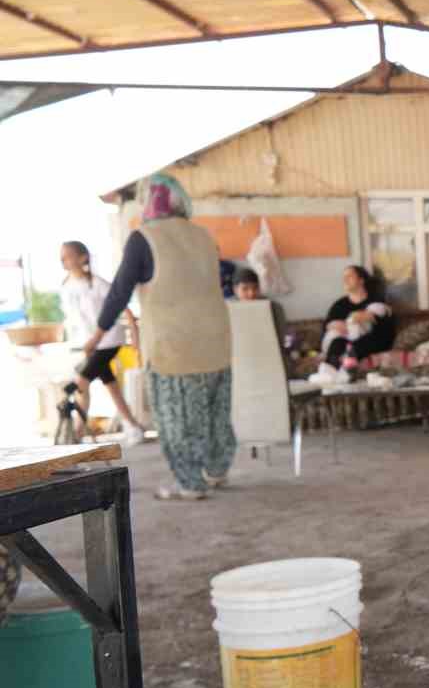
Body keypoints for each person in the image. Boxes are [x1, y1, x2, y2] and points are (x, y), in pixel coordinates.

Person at [86, 174, 236, 501]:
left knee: (177, 417)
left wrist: (98, 334)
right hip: (216, 339)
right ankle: (217, 470)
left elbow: (120, 292)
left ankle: (190, 483)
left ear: (148, 200)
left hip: (173, 345)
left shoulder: (144, 238)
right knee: (214, 411)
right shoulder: (202, 236)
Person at [59, 240, 148, 445]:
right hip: (88, 345)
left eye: (68, 255)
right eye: (62, 256)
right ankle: (133, 426)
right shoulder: (66, 287)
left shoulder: (98, 284)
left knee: (80, 383)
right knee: (111, 386)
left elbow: (123, 306)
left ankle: (77, 436)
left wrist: (134, 335)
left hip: (108, 340)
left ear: (83, 258)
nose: (64, 260)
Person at [318, 265, 395, 377]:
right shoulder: (339, 304)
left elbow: (386, 325)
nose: (345, 280)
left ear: (361, 280)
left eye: (349, 276)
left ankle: (344, 373)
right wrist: (334, 325)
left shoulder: (376, 300)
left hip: (373, 340)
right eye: (344, 277)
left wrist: (369, 317)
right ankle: (329, 374)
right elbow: (327, 324)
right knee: (336, 343)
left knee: (354, 347)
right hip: (347, 339)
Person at [233, 267, 289, 365]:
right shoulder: (228, 310)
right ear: (235, 290)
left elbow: (281, 338)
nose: (251, 293)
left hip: (269, 356)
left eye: (255, 288)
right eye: (245, 289)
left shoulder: (274, 308)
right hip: (239, 358)